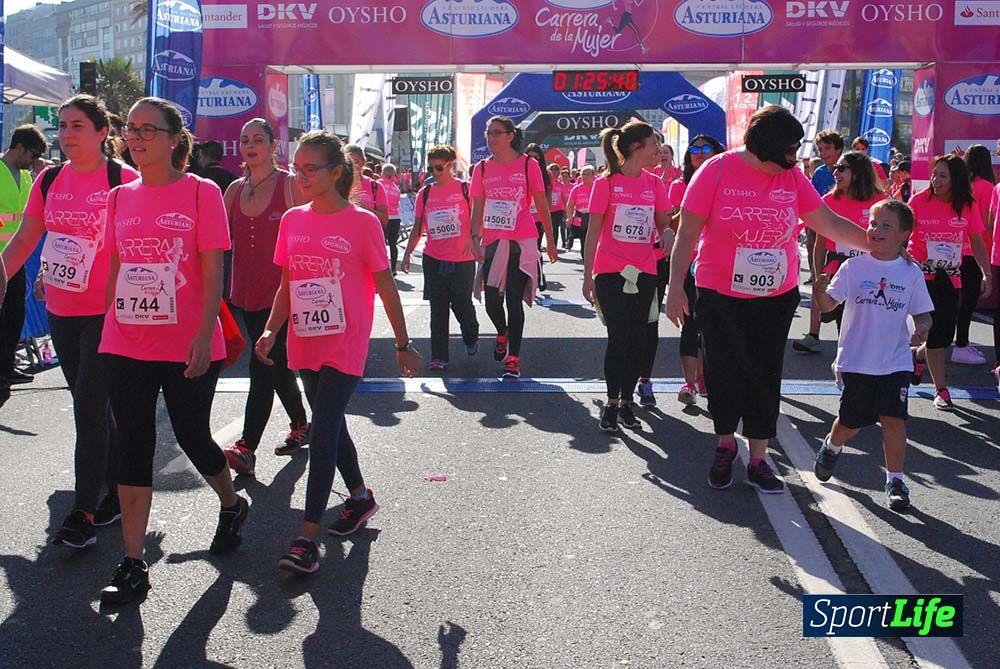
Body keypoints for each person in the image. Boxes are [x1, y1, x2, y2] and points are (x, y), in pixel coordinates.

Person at [665, 105, 871, 494]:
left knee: (765, 373)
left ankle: (758, 459)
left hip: (775, 295)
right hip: (720, 293)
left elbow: (827, 222)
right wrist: (675, 287)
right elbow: (687, 233)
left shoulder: (791, 176)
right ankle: (725, 444)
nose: (795, 157)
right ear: (767, 145)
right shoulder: (717, 170)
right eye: (789, 149)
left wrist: (878, 245)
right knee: (724, 372)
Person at [98, 97, 249, 605]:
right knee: (133, 443)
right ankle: (132, 562)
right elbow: (116, 266)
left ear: (173, 139)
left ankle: (230, 503)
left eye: (149, 130)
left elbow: (213, 270)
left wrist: (204, 335)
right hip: (126, 340)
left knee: (191, 435)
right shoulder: (119, 197)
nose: (136, 138)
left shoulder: (202, 192)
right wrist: (107, 323)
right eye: (131, 129)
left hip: (187, 339)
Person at [256, 130, 421, 574]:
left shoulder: (363, 223)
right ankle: (360, 497)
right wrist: (271, 329)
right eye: (297, 168)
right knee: (331, 424)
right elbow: (288, 284)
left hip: (346, 342)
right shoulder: (293, 220)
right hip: (305, 339)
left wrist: (403, 344)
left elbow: (386, 287)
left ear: (335, 172)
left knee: (323, 429)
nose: (301, 176)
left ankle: (307, 536)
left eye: (311, 168)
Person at [2, 95, 140, 548]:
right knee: (94, 404)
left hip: (107, 312)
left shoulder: (124, 180)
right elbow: (26, 238)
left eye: (77, 125)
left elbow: (142, 243)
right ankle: (116, 490)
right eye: (62, 125)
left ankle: (83, 511)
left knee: (88, 406)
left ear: (102, 132)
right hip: (62, 312)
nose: (66, 134)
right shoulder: (49, 179)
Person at [812, 200, 933, 511]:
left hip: (895, 361)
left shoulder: (911, 272)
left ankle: (896, 481)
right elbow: (828, 306)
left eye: (886, 226)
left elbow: (923, 313)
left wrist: (922, 328)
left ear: (904, 234)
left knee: (894, 419)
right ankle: (832, 445)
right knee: (850, 422)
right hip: (856, 360)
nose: (876, 230)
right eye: (873, 224)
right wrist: (820, 292)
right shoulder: (853, 267)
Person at [222, 118, 310, 477]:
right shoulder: (233, 190)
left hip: (283, 295)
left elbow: (311, 233)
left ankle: (247, 447)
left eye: (258, 139)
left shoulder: (289, 186)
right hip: (246, 292)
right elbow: (215, 242)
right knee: (275, 363)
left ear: (274, 146)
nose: (250, 145)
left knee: (262, 364)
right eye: (245, 140)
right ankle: (301, 424)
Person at [582, 121, 670, 431]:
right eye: (653, 144)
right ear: (636, 147)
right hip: (610, 271)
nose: (657, 150)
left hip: (645, 270)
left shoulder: (655, 184)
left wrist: (668, 232)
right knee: (619, 337)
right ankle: (611, 403)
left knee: (637, 339)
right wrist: (588, 275)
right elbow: (593, 232)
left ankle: (627, 402)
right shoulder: (605, 184)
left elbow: (663, 222)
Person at [470, 116, 558, 379]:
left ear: (510, 136)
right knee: (491, 302)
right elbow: (477, 206)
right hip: (493, 241)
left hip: (521, 240)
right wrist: (474, 238)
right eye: (488, 133)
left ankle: (514, 358)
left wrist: (550, 240)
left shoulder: (528, 165)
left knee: (513, 300)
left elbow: (541, 204)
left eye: (496, 133)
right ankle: (502, 332)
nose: (491, 138)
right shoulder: (481, 168)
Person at [907, 155, 991, 410]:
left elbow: (976, 241)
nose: (936, 180)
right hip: (922, 276)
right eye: (934, 174)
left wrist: (986, 273)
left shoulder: (966, 204)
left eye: (943, 175)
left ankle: (918, 354)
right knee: (934, 332)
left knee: (944, 335)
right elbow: (900, 232)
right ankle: (941, 390)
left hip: (951, 278)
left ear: (956, 179)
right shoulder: (918, 201)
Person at [658, 135, 724, 407]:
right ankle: (689, 382)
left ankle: (705, 376)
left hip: (720, 264)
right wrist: (688, 213)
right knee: (690, 325)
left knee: (714, 327)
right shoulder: (679, 185)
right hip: (689, 263)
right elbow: (671, 224)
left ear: (717, 153)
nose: (700, 152)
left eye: (706, 148)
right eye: (694, 149)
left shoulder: (728, 182)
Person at [401, 145, 479, 370]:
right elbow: (418, 226)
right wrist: (407, 253)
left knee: (462, 303)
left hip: (462, 258)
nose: (434, 173)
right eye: (431, 168)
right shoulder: (425, 194)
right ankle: (439, 356)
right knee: (438, 308)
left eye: (439, 168)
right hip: (434, 257)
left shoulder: (466, 189)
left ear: (450, 165)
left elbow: (478, 218)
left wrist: (473, 238)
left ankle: (471, 335)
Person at [812, 151, 888, 330]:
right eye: (835, 168)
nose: (835, 173)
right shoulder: (829, 201)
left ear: (858, 172)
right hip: (837, 265)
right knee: (844, 323)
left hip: (870, 267)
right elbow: (819, 244)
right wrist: (818, 276)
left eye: (841, 168)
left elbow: (891, 238)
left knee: (867, 322)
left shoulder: (881, 201)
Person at [0, 125, 48, 389]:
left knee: (15, 314)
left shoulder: (28, 178)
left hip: (17, 258)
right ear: (19, 147)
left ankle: (7, 367)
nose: (34, 161)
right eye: (33, 154)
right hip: (1, 256)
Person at [794, 129, 845, 353]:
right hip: (821, 235)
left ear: (839, 149)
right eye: (820, 149)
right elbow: (811, 204)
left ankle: (846, 338)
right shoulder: (820, 173)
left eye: (828, 148)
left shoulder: (852, 169)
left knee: (845, 289)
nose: (823, 153)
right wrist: (811, 233)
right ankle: (813, 333)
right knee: (818, 281)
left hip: (845, 239)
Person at [951, 145, 997, 365]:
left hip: (958, 249)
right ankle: (961, 344)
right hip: (976, 251)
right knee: (968, 301)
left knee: (959, 300)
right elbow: (988, 222)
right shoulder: (987, 187)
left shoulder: (964, 185)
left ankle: (960, 343)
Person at [344, 144, 389, 230]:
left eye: (356, 161)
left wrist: (364, 209)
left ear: (364, 161)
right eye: (348, 162)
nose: (352, 166)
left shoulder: (375, 186)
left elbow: (384, 221)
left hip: (369, 233)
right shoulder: (338, 186)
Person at [564, 165, 596, 252]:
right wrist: (569, 218)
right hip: (581, 220)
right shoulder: (576, 188)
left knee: (593, 243)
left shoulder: (597, 187)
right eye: (583, 174)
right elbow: (570, 205)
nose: (585, 177)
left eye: (587, 174)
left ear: (593, 175)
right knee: (584, 243)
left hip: (594, 219)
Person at [379, 163, 403, 275]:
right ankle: (393, 268)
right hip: (395, 217)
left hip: (383, 217)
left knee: (381, 244)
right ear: (393, 175)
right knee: (393, 244)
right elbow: (397, 204)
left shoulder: (379, 184)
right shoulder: (396, 188)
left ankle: (383, 268)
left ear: (382, 173)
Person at [547, 163, 568, 249]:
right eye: (553, 169)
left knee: (555, 228)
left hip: (558, 210)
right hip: (548, 209)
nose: (555, 171)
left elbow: (564, 198)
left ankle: (554, 246)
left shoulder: (561, 185)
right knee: (549, 228)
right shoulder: (546, 183)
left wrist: (566, 211)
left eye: (557, 169)